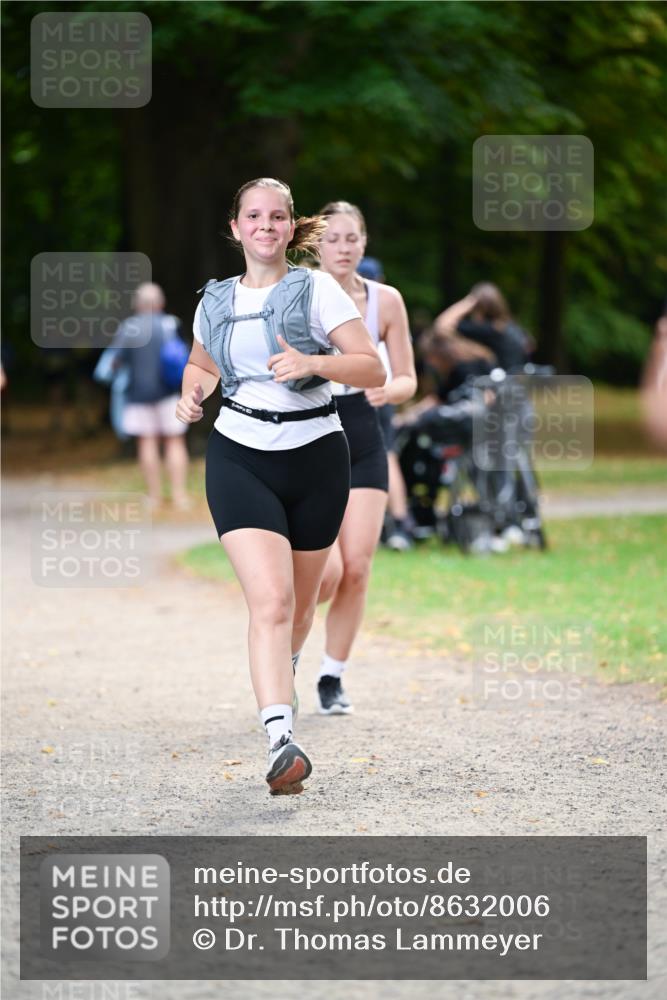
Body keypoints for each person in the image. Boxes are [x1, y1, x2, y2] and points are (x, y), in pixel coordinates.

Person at [176, 178, 385, 795]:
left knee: (298, 601)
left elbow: (370, 366)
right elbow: (201, 364)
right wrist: (192, 394)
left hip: (318, 455)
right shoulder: (213, 301)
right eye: (253, 216)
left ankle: (287, 669)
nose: (265, 226)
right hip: (239, 456)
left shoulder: (315, 289)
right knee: (269, 601)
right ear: (236, 228)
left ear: (291, 230)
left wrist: (314, 363)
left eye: (277, 217)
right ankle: (280, 739)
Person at [315, 201, 416, 714]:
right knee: (323, 573)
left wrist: (390, 392)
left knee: (357, 568)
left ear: (364, 242)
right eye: (332, 238)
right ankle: (282, 651)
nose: (343, 247)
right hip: (310, 437)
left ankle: (331, 676)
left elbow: (406, 376)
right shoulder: (296, 294)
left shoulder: (386, 301)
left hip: (365, 434)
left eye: (351, 238)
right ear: (315, 243)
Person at [112, 283, 191, 510]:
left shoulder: (128, 328)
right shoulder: (171, 324)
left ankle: (154, 497)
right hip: (169, 394)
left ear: (137, 304)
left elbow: (115, 362)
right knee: (175, 441)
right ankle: (179, 496)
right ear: (161, 303)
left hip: (138, 395)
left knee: (147, 442)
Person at [358, 257, 415, 551]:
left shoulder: (358, 309)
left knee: (380, 457)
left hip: (373, 393)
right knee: (387, 455)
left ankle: (394, 522)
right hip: (381, 393)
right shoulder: (381, 309)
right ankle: (400, 520)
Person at [434, 283, 532, 372]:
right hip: (517, 386)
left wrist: (469, 301)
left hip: (499, 388)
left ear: (480, 308)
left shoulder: (490, 329)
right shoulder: (514, 328)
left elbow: (441, 326)